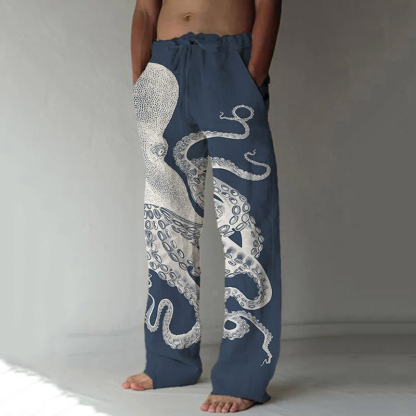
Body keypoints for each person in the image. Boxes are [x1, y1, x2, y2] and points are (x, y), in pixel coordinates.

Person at [123, 0, 283, 412]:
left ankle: (243, 377)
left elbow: (268, 4)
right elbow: (145, 10)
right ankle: (170, 361)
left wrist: (253, 73)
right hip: (165, 66)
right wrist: (141, 79)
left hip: (230, 63)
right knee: (166, 216)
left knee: (246, 221)